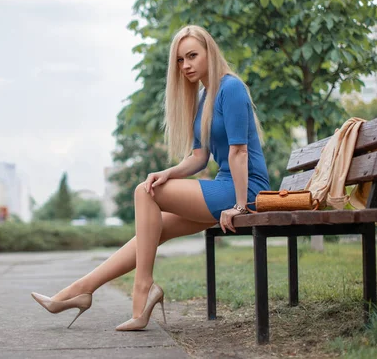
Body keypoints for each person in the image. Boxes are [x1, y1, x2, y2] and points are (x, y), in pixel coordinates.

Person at [31, 25, 270, 331]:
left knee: (145, 192)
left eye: (192, 56)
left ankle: (142, 291)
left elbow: (239, 153)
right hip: (227, 188)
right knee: (152, 227)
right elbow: (199, 157)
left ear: (210, 52)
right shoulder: (204, 97)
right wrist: (167, 173)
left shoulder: (231, 88)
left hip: (246, 190)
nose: (186, 66)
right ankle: (80, 290)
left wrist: (239, 206)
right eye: (180, 61)